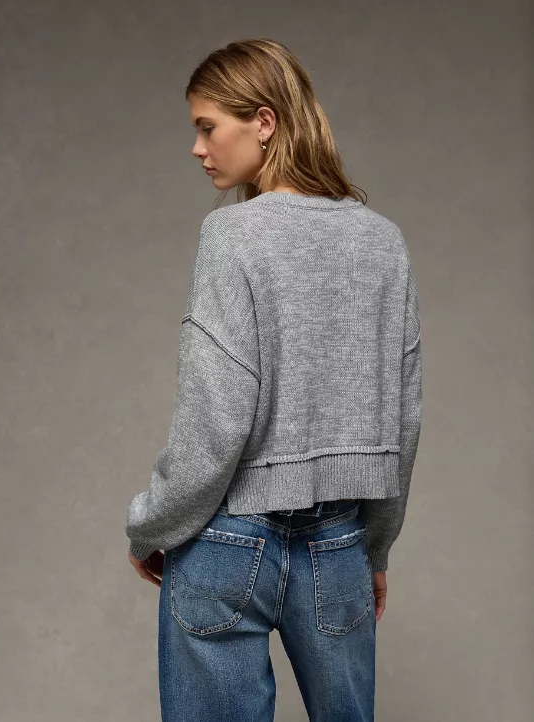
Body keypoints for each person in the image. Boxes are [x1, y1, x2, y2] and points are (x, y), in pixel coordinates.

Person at [126, 37, 423, 722]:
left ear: (263, 121)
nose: (198, 148)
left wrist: (151, 525)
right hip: (339, 545)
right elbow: (403, 420)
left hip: (226, 542)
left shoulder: (233, 235)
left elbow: (215, 418)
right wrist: (373, 549)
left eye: (208, 127)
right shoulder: (383, 241)